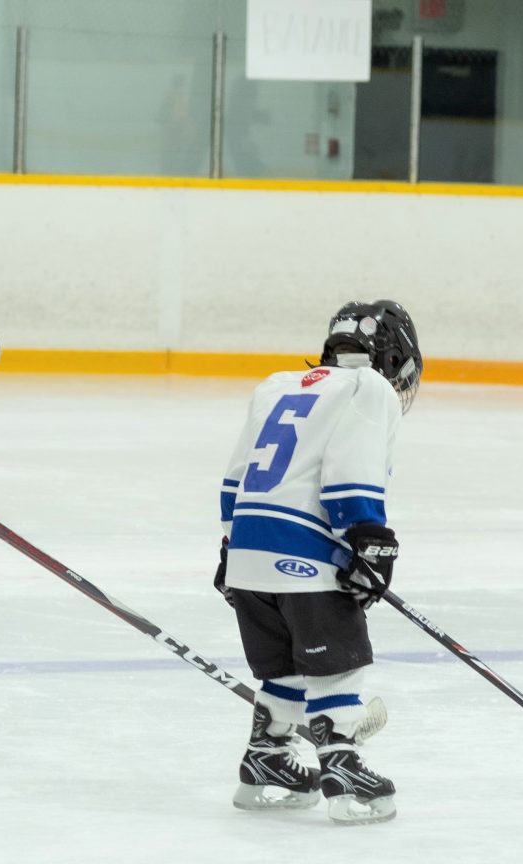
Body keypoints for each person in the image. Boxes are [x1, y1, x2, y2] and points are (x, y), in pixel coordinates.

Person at [213, 300, 422, 825]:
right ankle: (344, 763)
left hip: (247, 554)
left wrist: (229, 545)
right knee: (338, 661)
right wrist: (367, 538)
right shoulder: (368, 388)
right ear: (394, 358)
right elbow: (350, 468)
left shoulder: (276, 385)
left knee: (282, 664)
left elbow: (235, 478)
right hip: (303, 556)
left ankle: (268, 757)